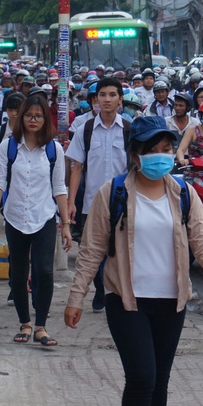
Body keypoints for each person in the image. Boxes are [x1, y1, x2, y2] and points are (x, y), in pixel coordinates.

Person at [65, 116, 203, 406]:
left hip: (172, 304)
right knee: (142, 378)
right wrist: (76, 297)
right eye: (154, 149)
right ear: (135, 155)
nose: (162, 156)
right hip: (126, 301)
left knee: (159, 381)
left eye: (167, 148)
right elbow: (92, 249)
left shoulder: (184, 194)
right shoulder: (113, 193)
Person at [0, 94, 72, 346]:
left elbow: (60, 188)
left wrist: (65, 225)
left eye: (38, 116)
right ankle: (24, 323)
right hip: (14, 217)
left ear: (46, 119)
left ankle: (41, 326)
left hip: (44, 216)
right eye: (28, 115)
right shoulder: (8, 146)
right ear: (20, 117)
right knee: (18, 272)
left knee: (44, 271)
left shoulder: (54, 149)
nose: (33, 120)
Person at [66, 77, 129, 313]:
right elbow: (77, 168)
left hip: (123, 203)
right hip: (92, 202)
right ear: (96, 99)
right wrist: (71, 202)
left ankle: (115, 291)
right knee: (93, 250)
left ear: (120, 99)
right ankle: (101, 290)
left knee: (121, 250)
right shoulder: (86, 130)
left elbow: (134, 168)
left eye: (112, 95)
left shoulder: (130, 129)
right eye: (102, 95)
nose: (107, 100)